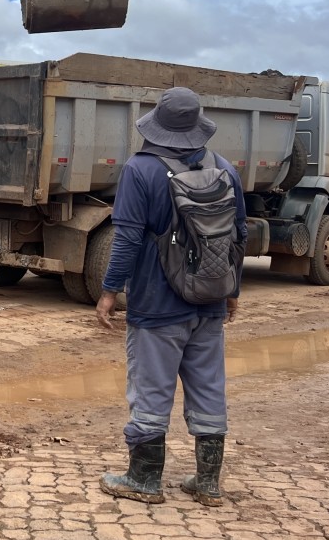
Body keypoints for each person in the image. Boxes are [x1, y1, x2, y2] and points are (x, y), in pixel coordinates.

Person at [95, 86, 246, 507]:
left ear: (157, 125)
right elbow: (240, 235)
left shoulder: (139, 170)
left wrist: (109, 292)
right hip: (209, 302)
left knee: (150, 391)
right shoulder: (224, 168)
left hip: (156, 305)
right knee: (209, 388)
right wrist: (232, 290)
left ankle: (144, 479)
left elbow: (126, 240)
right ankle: (208, 483)